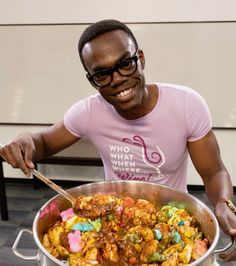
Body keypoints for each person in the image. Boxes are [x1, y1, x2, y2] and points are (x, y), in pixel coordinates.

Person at [0, 19, 236, 261]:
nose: (117, 79)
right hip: (109, 221)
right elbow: (43, 142)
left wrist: (223, 204)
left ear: (140, 58)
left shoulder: (187, 105)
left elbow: (214, 172)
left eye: (125, 64)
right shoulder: (88, 111)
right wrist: (24, 141)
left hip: (172, 220)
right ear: (92, 80)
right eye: (102, 74)